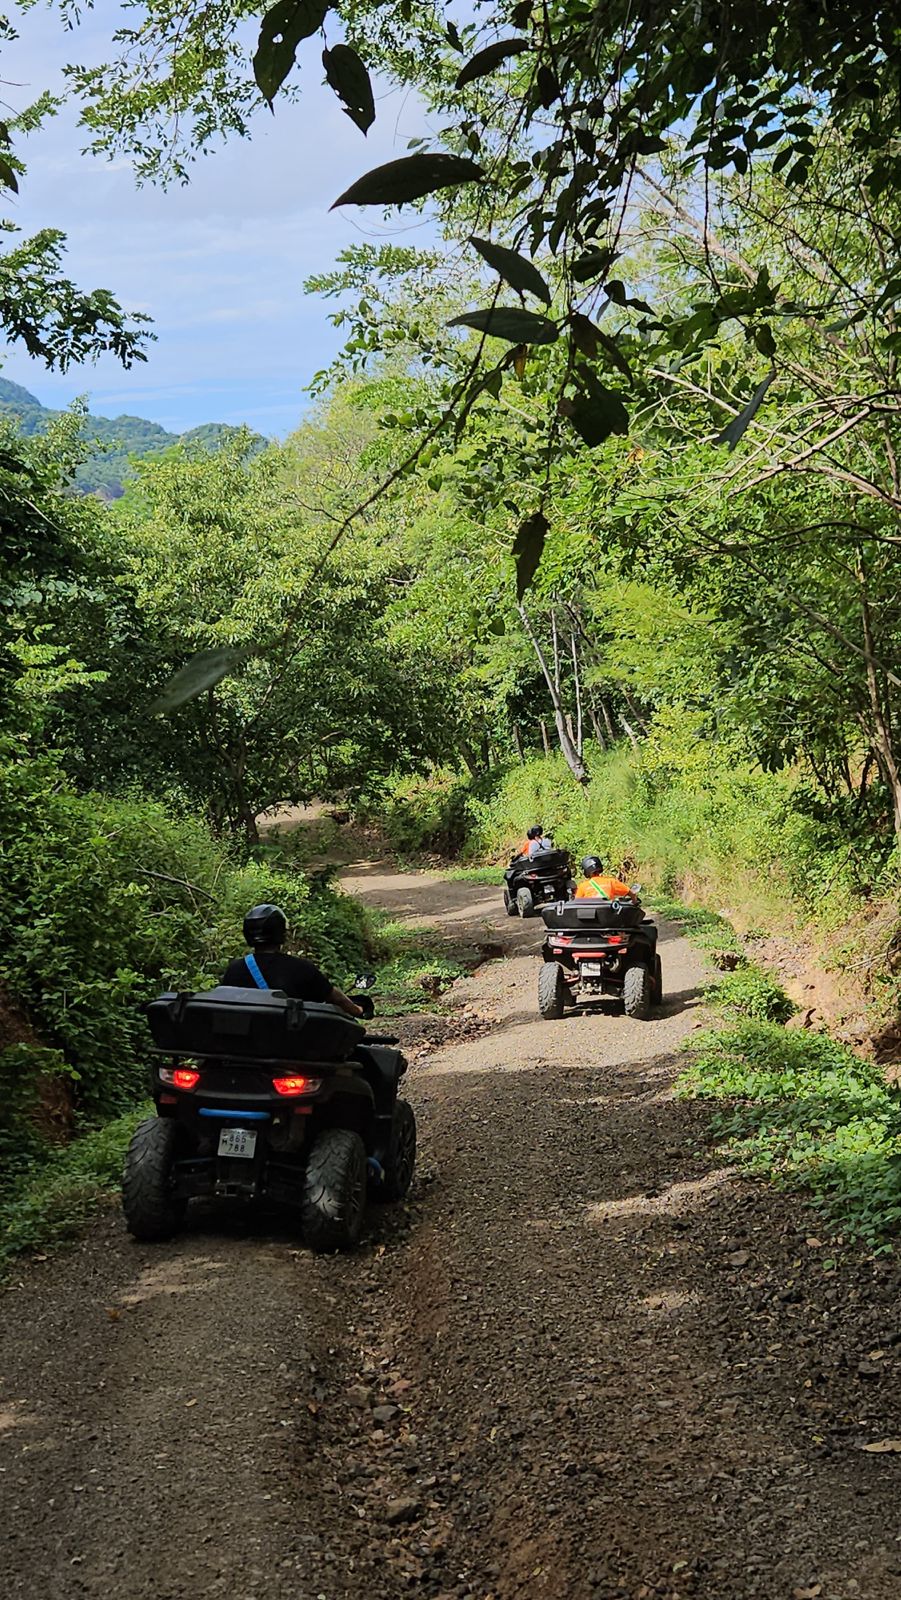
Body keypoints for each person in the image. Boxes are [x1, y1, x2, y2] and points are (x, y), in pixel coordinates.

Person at [221, 904, 364, 1017]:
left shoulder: (235, 969)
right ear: (281, 932)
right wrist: (358, 1010)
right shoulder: (301, 968)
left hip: (245, 1042)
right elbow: (335, 998)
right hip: (290, 1043)